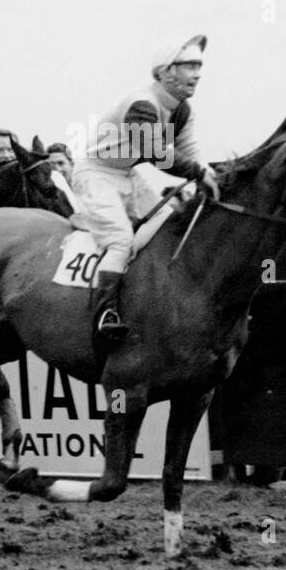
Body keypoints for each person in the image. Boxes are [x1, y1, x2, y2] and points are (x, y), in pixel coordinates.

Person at [73, 35, 219, 348]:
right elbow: (155, 152)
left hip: (126, 173)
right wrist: (198, 173)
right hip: (95, 174)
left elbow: (189, 151)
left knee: (169, 222)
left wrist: (210, 174)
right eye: (190, 66)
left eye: (199, 66)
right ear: (166, 71)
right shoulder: (142, 103)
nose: (197, 73)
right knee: (120, 241)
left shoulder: (182, 110)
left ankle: (135, 284)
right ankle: (104, 315)